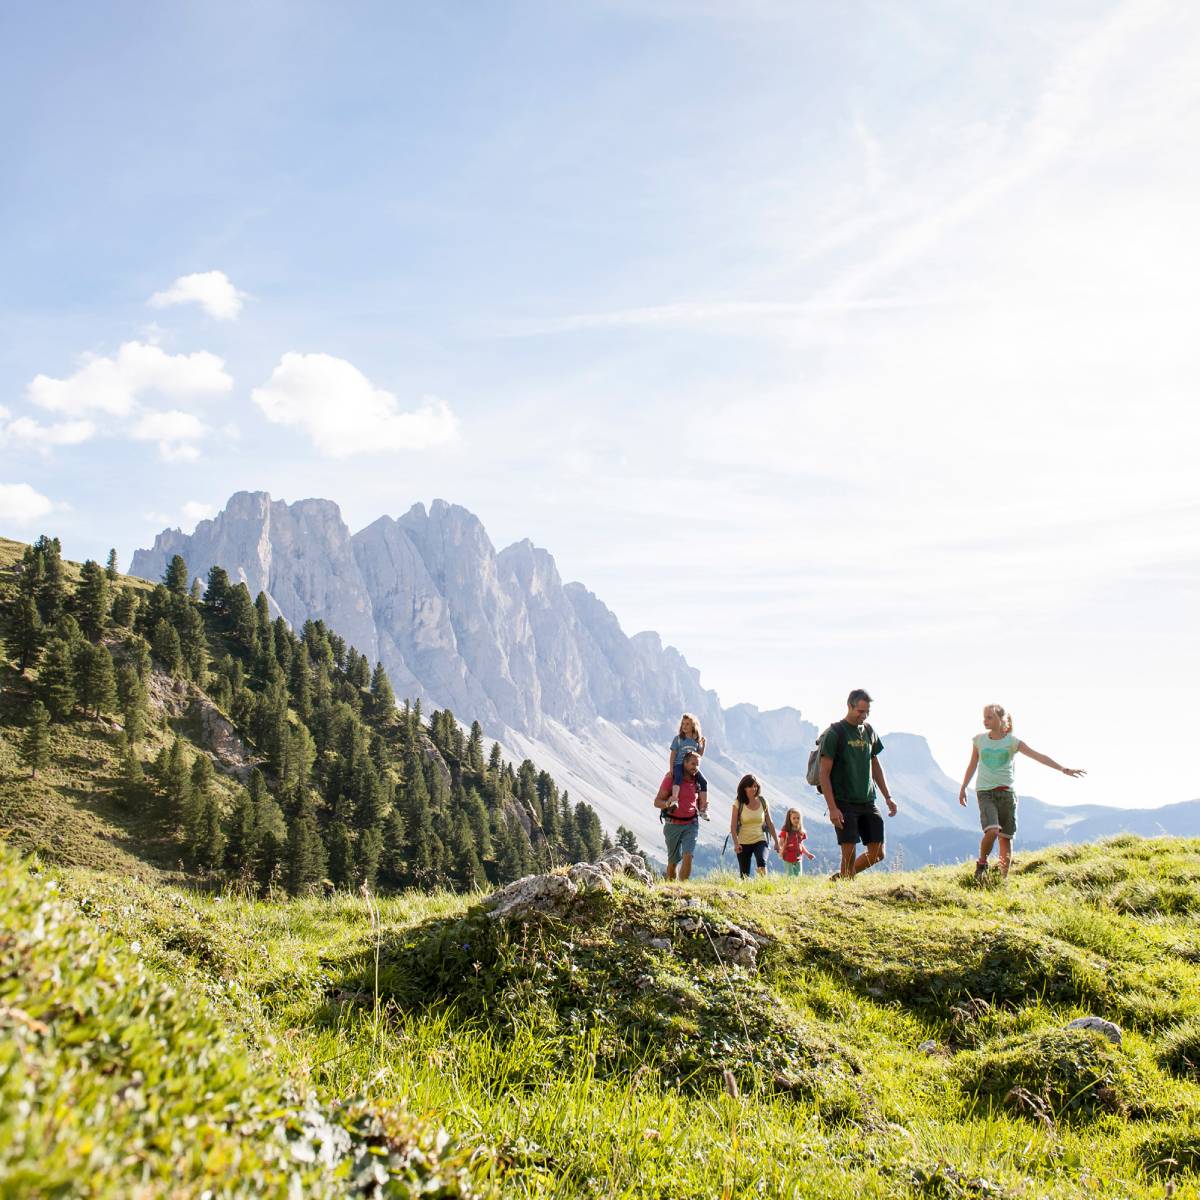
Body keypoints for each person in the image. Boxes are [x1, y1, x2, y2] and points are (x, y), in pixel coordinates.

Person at [958, 703, 1085, 882]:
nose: (985, 720)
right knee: (992, 830)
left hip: (1007, 794)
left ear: (1001, 720)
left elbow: (1038, 756)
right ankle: (982, 863)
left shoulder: (1012, 742)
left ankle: (1003, 879)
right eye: (984, 717)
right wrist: (963, 786)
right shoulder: (979, 740)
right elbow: (972, 764)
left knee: (1005, 838)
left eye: (989, 717)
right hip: (985, 792)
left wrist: (1062, 768)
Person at [818, 689, 898, 879]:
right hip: (844, 801)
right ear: (849, 706)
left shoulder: (869, 731)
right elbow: (824, 774)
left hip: (868, 800)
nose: (863, 715)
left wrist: (888, 797)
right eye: (860, 711)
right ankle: (846, 885)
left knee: (878, 852)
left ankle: (842, 877)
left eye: (866, 711)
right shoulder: (835, 733)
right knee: (849, 852)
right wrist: (832, 808)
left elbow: (875, 765)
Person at [654, 751, 707, 881]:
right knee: (672, 863)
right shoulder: (671, 779)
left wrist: (703, 806)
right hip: (673, 824)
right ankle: (672, 888)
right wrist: (668, 803)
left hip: (691, 823)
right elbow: (657, 802)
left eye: (697, 765)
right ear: (684, 763)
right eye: (692, 764)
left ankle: (682, 888)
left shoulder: (697, 781)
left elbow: (698, 802)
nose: (695, 767)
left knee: (688, 855)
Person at [730, 774, 780, 878]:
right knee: (744, 875)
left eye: (755, 786)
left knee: (762, 862)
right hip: (743, 842)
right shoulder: (738, 803)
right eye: (750, 786)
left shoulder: (763, 801)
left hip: (760, 839)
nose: (754, 788)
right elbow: (733, 826)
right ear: (744, 788)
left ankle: (763, 887)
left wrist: (776, 842)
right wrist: (736, 844)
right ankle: (748, 892)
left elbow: (770, 823)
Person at [667, 713, 708, 816]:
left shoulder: (695, 741)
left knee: (703, 782)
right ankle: (674, 800)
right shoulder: (678, 739)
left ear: (693, 726)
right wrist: (672, 770)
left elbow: (699, 756)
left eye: (687, 724)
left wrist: (704, 745)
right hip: (679, 764)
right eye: (683, 724)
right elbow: (673, 755)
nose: (684, 726)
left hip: (691, 767)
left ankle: (703, 808)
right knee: (679, 777)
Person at [778, 808, 816, 876]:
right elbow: (781, 842)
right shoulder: (786, 831)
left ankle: (796, 885)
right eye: (794, 818)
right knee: (790, 875)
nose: (796, 820)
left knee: (798, 875)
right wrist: (781, 850)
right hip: (788, 857)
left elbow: (801, 845)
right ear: (789, 819)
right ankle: (790, 886)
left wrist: (808, 854)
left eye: (798, 818)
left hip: (798, 858)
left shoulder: (800, 831)